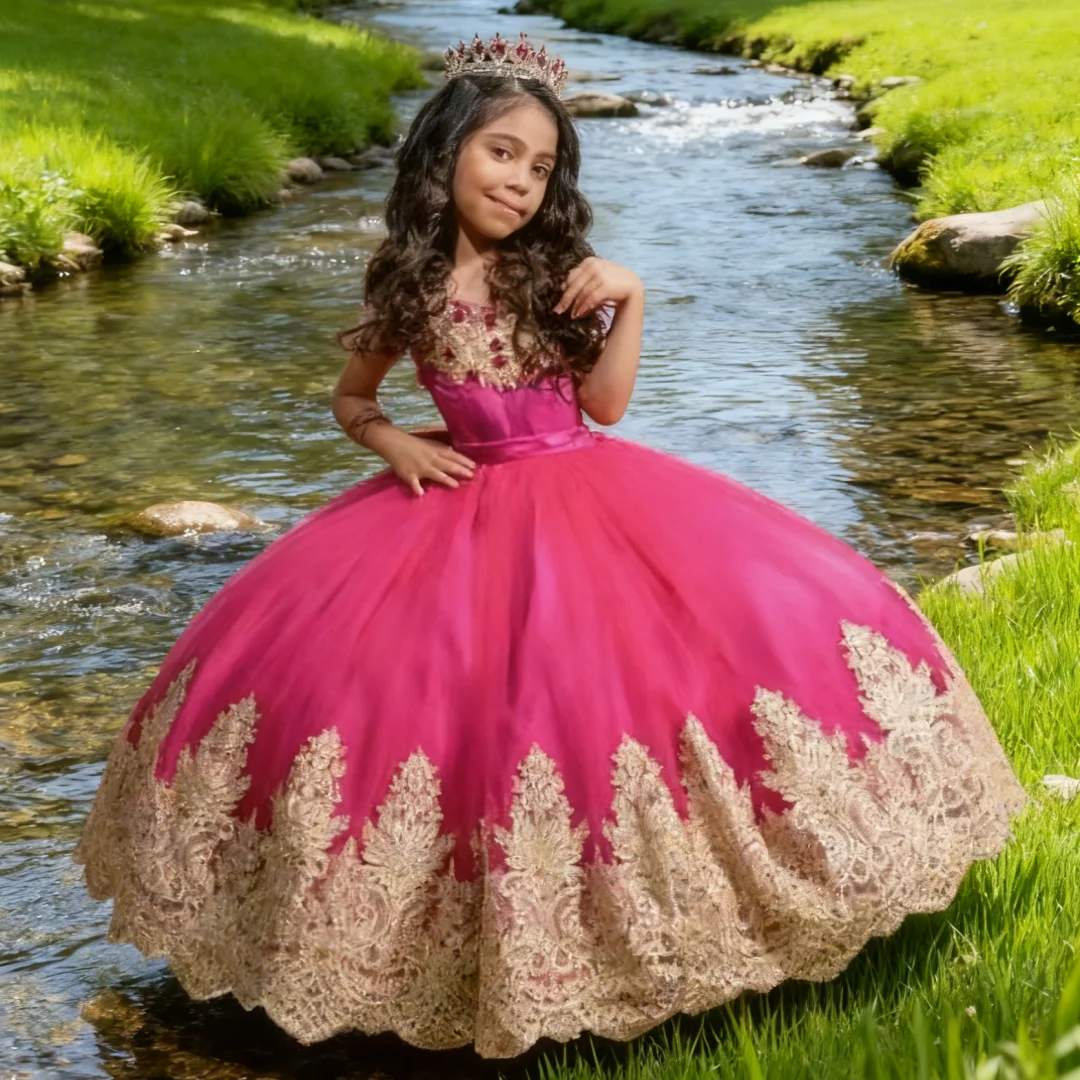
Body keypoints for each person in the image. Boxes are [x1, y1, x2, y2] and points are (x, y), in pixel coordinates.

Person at [75, 30, 1028, 1060]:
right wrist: (396, 440)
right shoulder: (408, 284)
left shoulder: (560, 272)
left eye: (541, 167)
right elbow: (352, 399)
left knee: (640, 681)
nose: (522, 183)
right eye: (502, 153)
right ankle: (448, 957)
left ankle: (669, 937)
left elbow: (607, 408)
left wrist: (631, 297)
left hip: (587, 490)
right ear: (444, 152)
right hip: (458, 504)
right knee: (438, 713)